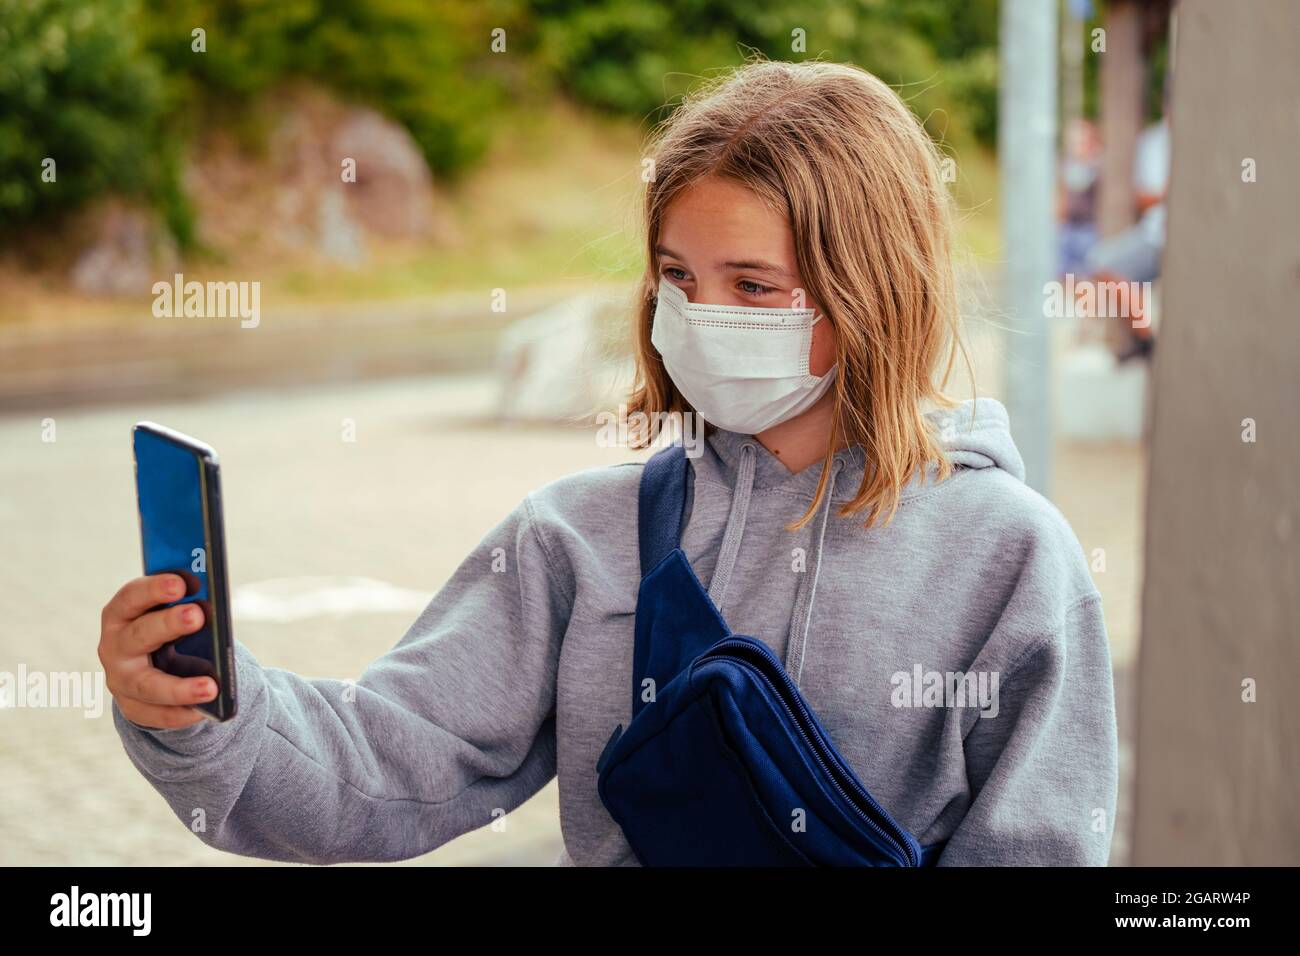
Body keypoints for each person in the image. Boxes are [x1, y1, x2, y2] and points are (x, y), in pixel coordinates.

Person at [100, 59, 1118, 866]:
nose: (701, 312)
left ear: (869, 292)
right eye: (678, 274)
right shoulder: (574, 540)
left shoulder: (1008, 557)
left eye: (753, 285)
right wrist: (205, 708)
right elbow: (382, 767)